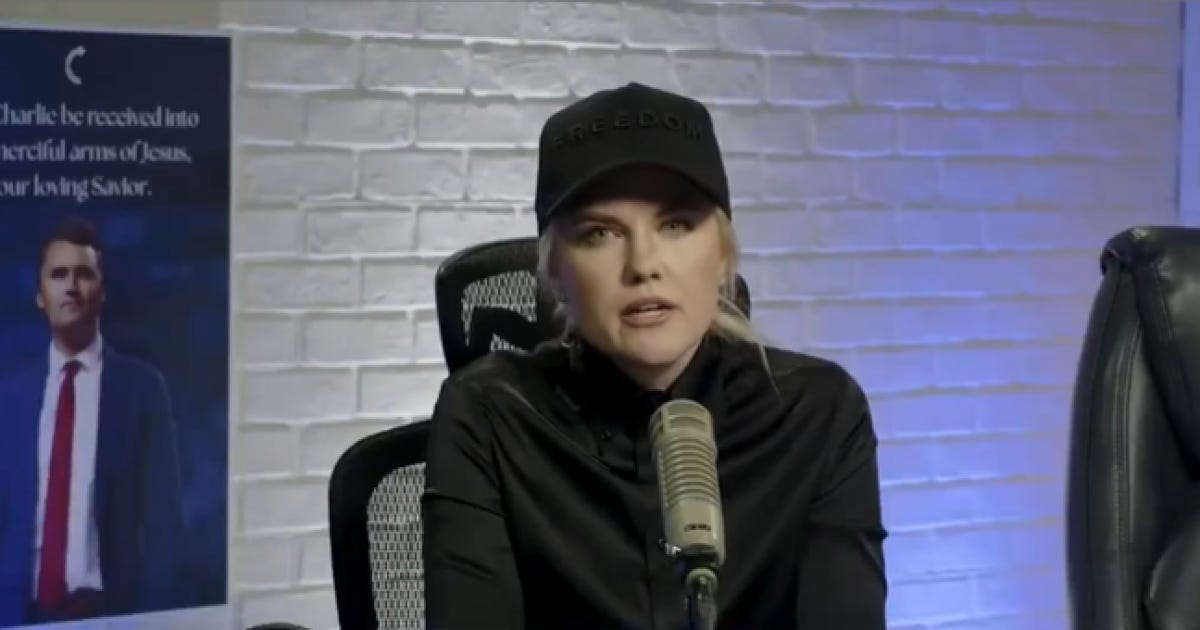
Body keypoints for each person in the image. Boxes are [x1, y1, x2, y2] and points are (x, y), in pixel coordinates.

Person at [422, 82, 887, 629]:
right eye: (600, 233)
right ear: (555, 274)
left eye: (676, 225)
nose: (643, 264)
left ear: (723, 255)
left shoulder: (819, 413)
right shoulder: (489, 413)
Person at [0, 216, 188, 625]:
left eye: (84, 274)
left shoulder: (142, 390)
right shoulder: (9, 397)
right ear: (40, 295)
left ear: (102, 292)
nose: (70, 285)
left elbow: (164, 527)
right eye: (58, 274)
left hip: (108, 614)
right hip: (18, 613)